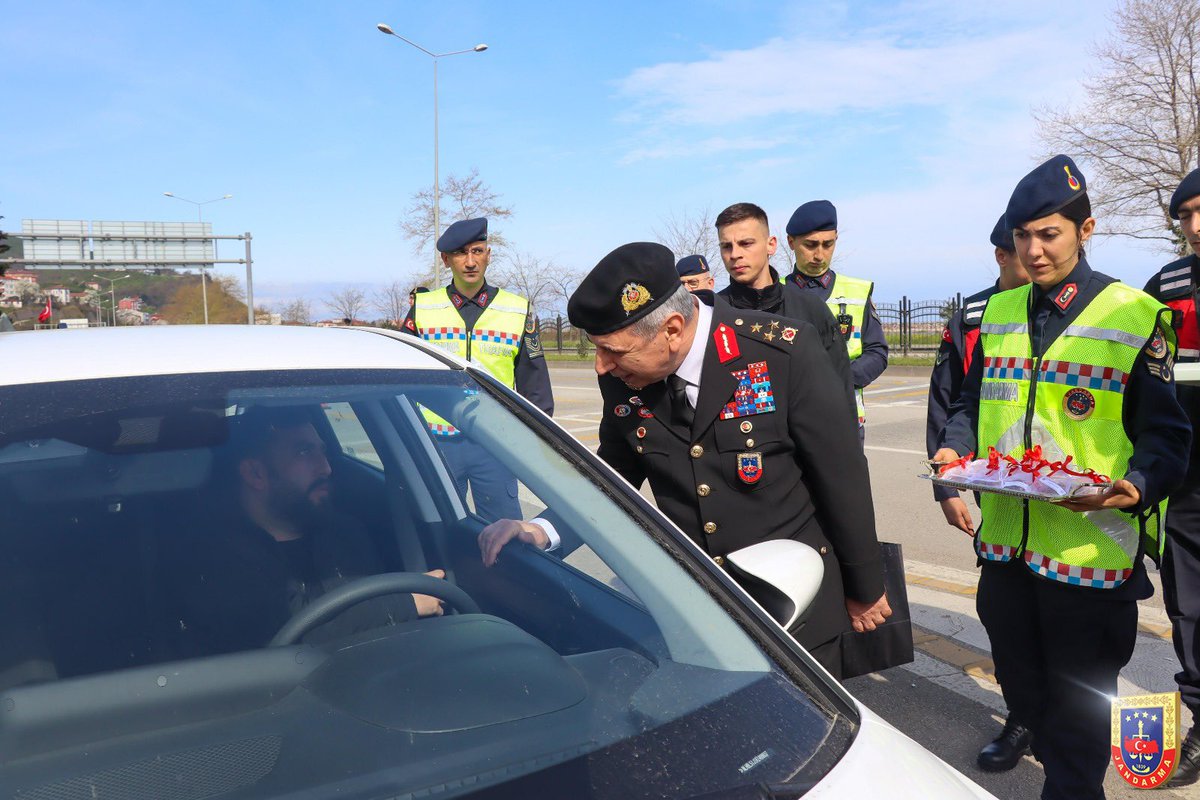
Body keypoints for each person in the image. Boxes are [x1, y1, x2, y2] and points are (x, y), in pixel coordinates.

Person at [934, 155, 1191, 799]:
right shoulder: (998, 312)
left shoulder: (1132, 314)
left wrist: (1137, 486)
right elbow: (970, 402)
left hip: (1089, 554)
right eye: (1022, 236)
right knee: (1025, 692)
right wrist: (952, 449)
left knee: (1077, 725)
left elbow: (1167, 434)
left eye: (1048, 233)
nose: (1034, 249)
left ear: (1085, 229)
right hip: (1006, 549)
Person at [558, 241, 889, 677]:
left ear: (672, 330)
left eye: (613, 351)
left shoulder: (780, 351)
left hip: (795, 599)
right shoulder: (626, 377)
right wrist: (545, 529)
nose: (602, 366)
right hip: (702, 607)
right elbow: (614, 469)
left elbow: (840, 471)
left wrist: (864, 585)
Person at [163, 407, 446, 657]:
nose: (326, 467)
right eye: (303, 451)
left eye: (322, 451)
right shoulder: (210, 557)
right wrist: (401, 604)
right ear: (255, 474)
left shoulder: (345, 532)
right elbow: (275, 631)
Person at [925, 212, 1032, 772]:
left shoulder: (1097, 311)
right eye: (1021, 245)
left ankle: (1069, 724)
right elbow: (949, 404)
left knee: (1073, 631)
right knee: (1003, 613)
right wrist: (946, 484)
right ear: (1002, 253)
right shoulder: (975, 318)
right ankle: (1021, 719)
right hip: (1003, 505)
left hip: (1081, 509)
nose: (1036, 256)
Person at [403, 217, 553, 520]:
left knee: (505, 535)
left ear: (488, 254)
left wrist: (532, 443)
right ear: (446, 260)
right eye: (460, 253)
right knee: (437, 529)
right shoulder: (423, 308)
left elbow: (534, 384)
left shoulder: (517, 309)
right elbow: (400, 376)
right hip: (435, 442)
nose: (470, 262)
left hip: (494, 443)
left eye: (477, 251)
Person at [1142, 167, 1200, 788]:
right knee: (1190, 603)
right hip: (1189, 478)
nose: (1194, 227)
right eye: (1183, 216)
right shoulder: (1166, 286)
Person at [714, 202, 855, 418]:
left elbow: (840, 391)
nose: (735, 254)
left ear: (771, 245)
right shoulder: (712, 314)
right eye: (726, 246)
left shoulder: (810, 310)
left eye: (746, 243)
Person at [784, 200, 888, 437]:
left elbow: (877, 353)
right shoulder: (774, 293)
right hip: (789, 424)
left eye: (827, 244)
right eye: (810, 245)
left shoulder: (858, 292)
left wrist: (839, 379)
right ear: (791, 242)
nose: (819, 255)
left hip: (845, 419)